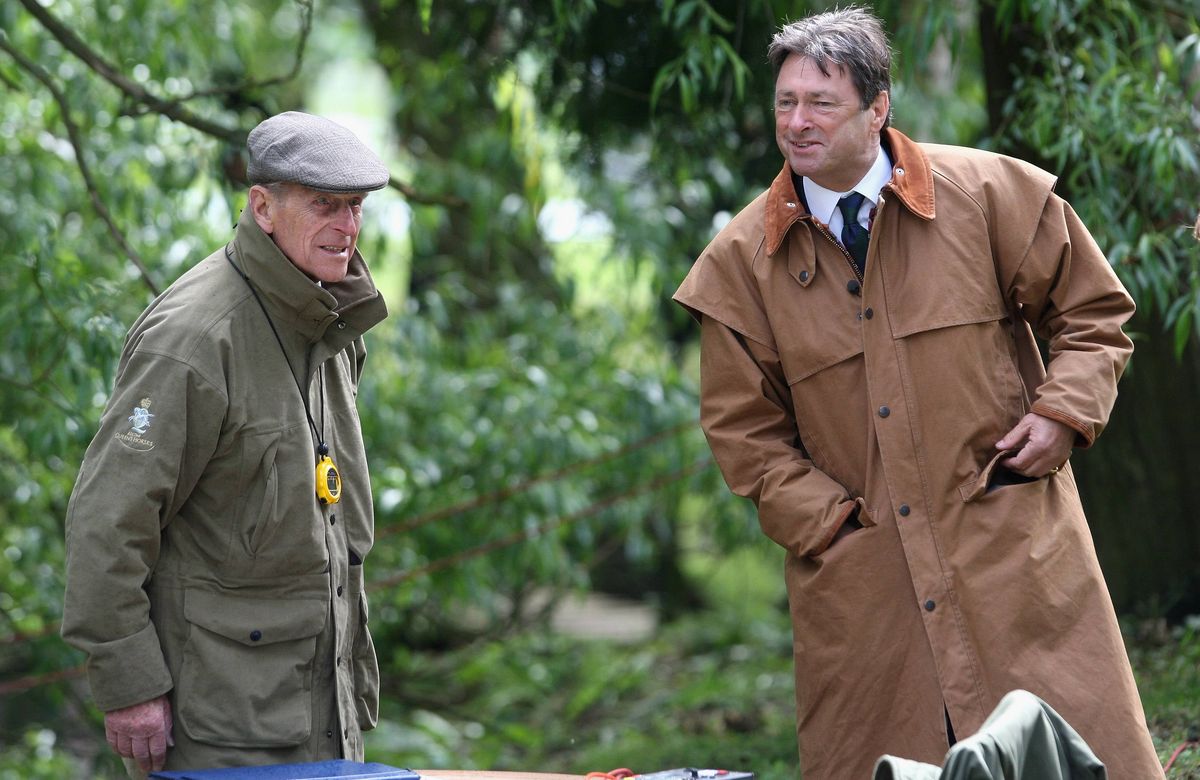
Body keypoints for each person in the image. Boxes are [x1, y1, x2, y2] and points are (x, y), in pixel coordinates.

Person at [673, 8, 1163, 779]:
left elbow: (1094, 313)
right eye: (785, 102)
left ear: (878, 108)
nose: (796, 122)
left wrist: (1062, 414)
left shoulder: (989, 193)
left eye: (821, 103)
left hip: (1011, 556)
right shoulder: (740, 265)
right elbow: (743, 433)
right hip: (867, 590)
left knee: (1067, 754)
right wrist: (830, 525)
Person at [61, 111, 391, 776]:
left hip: (319, 714)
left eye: (355, 205)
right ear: (263, 208)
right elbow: (106, 522)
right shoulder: (194, 338)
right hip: (217, 726)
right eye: (324, 204)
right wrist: (129, 684)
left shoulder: (327, 319)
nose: (347, 226)